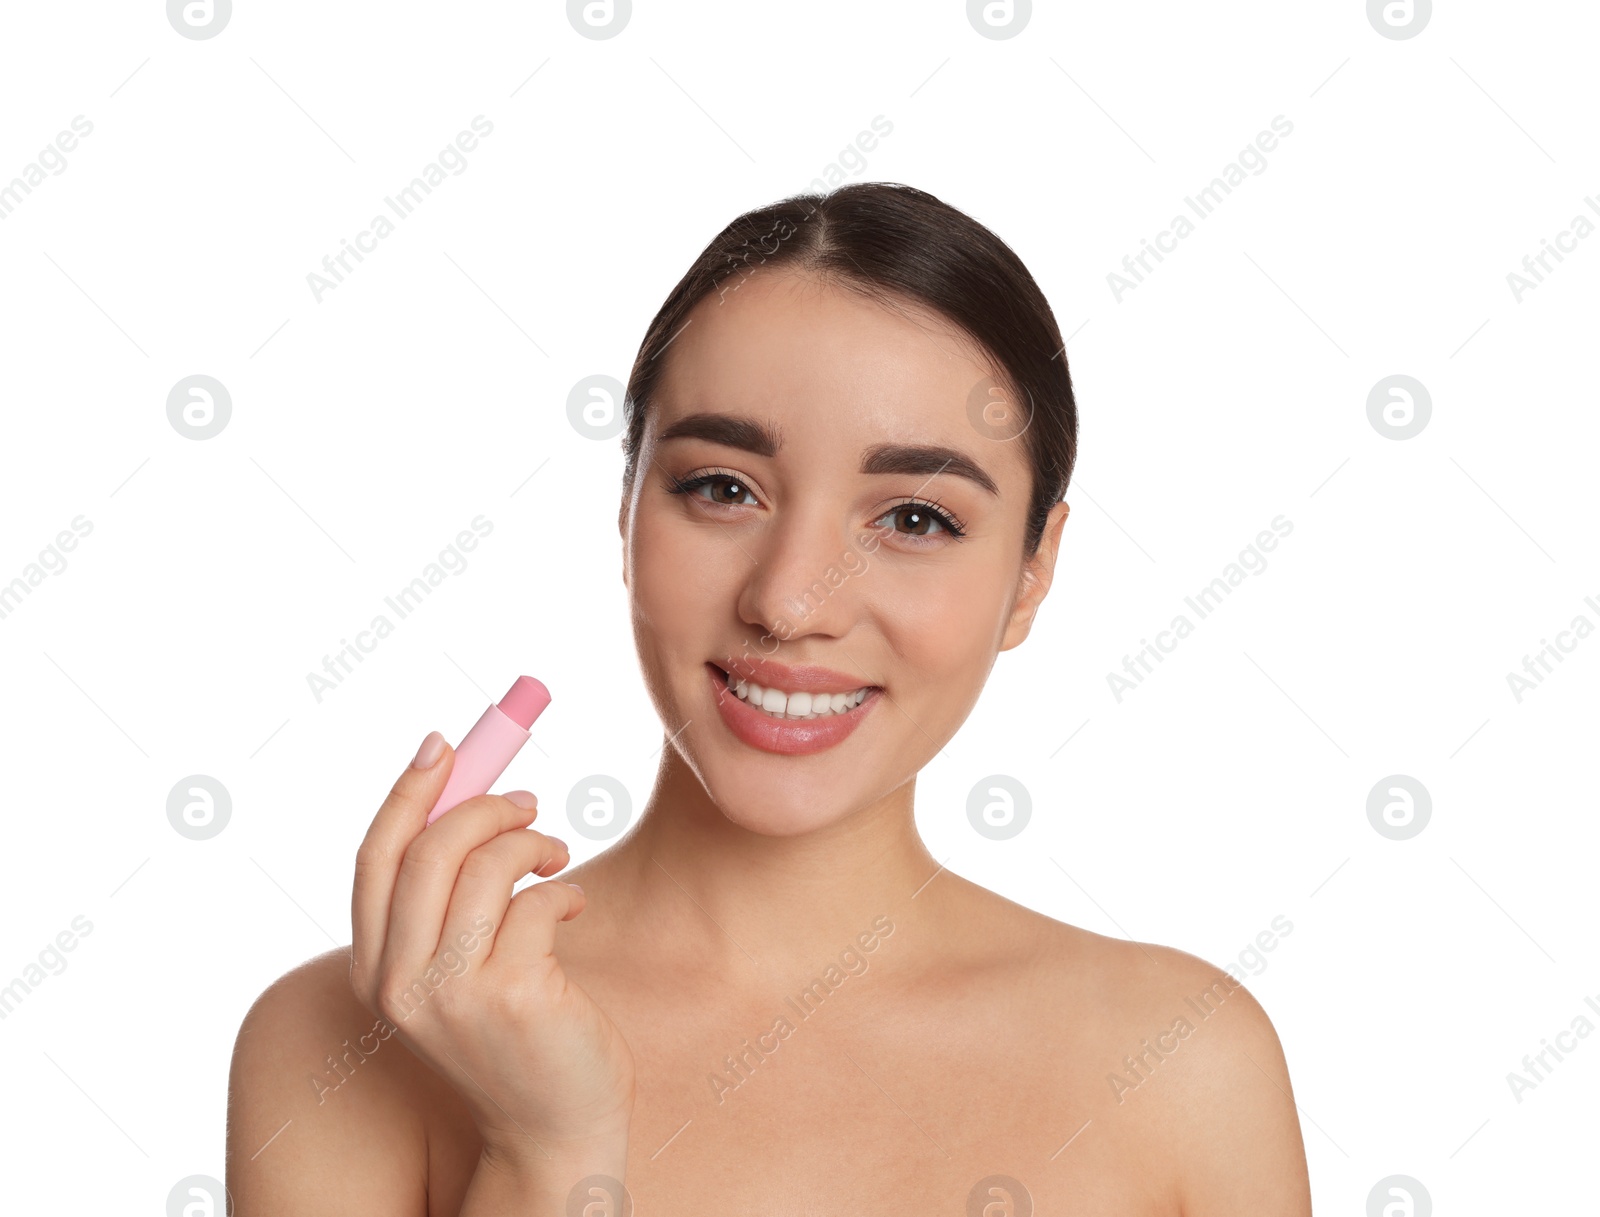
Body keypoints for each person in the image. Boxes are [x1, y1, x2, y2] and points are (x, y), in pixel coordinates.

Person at [226, 182, 1313, 1214]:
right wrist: (546, 1149)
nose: (791, 602)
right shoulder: (343, 1042)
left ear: (1033, 572)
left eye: (916, 518)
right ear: (625, 509)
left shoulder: (1187, 1063)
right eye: (722, 488)